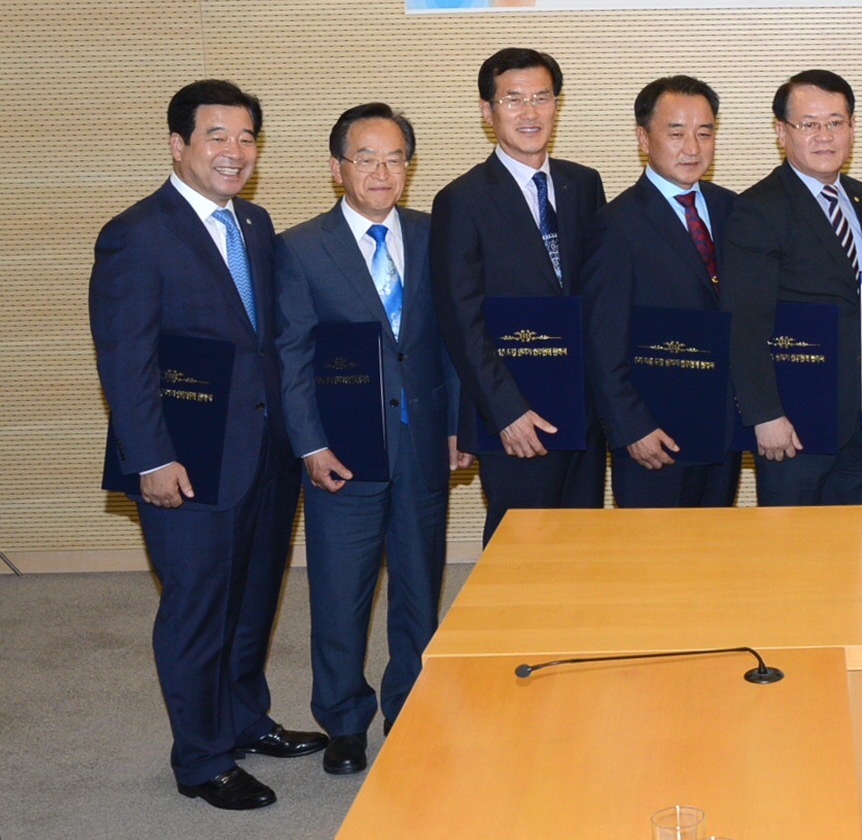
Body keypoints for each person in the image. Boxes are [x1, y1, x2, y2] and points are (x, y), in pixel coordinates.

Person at [90, 80, 326, 810]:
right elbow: (125, 360)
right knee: (197, 611)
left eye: (247, 137)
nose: (235, 151)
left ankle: (245, 720)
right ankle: (199, 759)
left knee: (252, 602)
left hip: (265, 454)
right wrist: (150, 459)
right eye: (217, 136)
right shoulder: (136, 233)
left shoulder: (253, 221)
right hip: (186, 463)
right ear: (178, 145)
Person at [274, 103, 465, 774]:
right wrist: (309, 445)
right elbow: (293, 356)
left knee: (418, 586)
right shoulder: (300, 247)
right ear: (337, 168)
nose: (382, 172)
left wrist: (456, 423)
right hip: (343, 450)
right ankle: (344, 721)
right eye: (366, 158)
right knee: (339, 594)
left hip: (423, 441)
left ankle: (410, 707)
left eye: (395, 159)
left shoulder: (435, 234)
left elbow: (451, 340)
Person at [431, 48, 607, 542]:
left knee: (584, 547)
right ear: (487, 112)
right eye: (513, 99)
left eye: (542, 98)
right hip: (513, 414)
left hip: (583, 410)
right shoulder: (461, 200)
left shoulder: (583, 184)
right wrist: (505, 411)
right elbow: (460, 321)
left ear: (556, 105)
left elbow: (598, 298)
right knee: (521, 550)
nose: (530, 112)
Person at [724, 70, 862, 505]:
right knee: (791, 545)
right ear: (782, 132)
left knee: (860, 540)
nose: (824, 136)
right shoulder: (758, 209)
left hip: (861, 424)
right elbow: (744, 323)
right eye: (808, 124)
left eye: (835, 122)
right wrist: (764, 414)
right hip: (793, 426)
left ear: (852, 127)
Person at [583, 76, 742, 507]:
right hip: (654, 438)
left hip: (723, 431)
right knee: (653, 551)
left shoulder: (733, 209)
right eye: (676, 133)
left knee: (719, 544)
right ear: (643, 138)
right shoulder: (615, 225)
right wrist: (630, 426)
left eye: (704, 133)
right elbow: (601, 340)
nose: (692, 147)